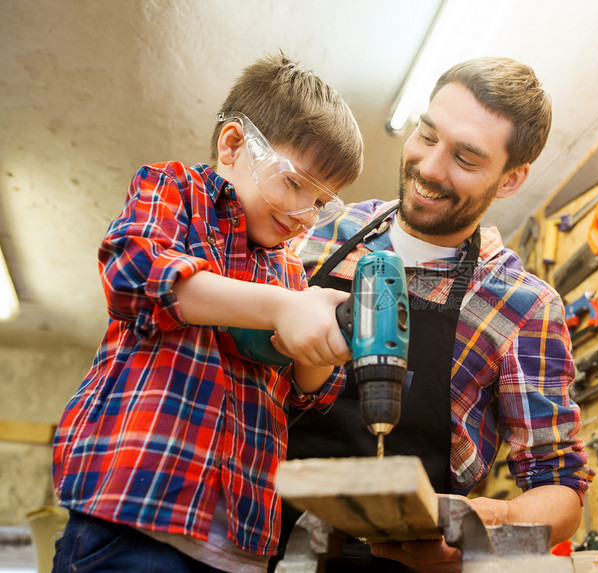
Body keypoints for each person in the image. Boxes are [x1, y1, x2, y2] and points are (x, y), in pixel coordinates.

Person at [51, 53, 364, 573]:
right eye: (292, 184)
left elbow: (311, 389)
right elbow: (137, 273)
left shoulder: (288, 274)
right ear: (234, 144)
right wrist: (285, 307)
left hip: (240, 548)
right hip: (136, 516)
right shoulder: (174, 190)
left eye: (319, 203)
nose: (301, 215)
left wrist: (325, 340)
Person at [284, 56, 594, 572]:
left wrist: (487, 534)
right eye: (427, 136)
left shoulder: (523, 306)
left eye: (466, 159)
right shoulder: (317, 230)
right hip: (251, 543)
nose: (429, 168)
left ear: (511, 179)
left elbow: (560, 488)